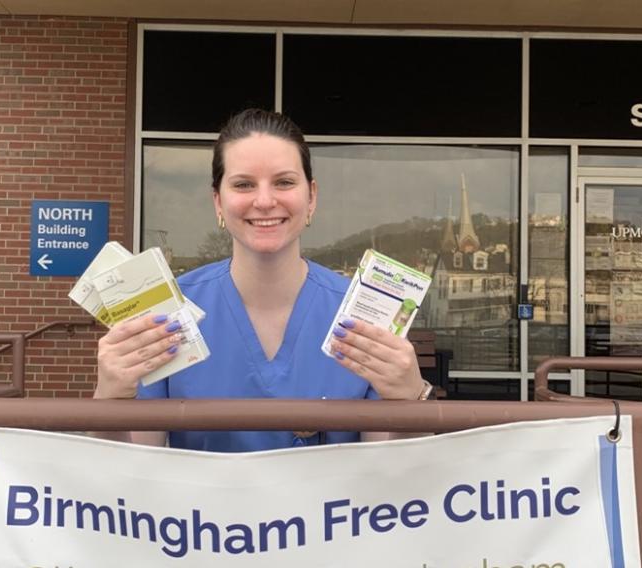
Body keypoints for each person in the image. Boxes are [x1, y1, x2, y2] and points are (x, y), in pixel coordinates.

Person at [94, 108, 431, 451]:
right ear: (218, 202)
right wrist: (109, 396)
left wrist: (411, 400)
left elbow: (393, 478)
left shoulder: (362, 311)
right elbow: (131, 476)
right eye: (243, 184)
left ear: (311, 197)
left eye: (284, 182)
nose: (265, 201)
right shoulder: (168, 310)